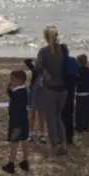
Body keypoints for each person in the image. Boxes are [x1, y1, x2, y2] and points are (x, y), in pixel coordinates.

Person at [33, 26, 68, 156]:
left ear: (45, 37)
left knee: (50, 119)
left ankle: (54, 146)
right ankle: (63, 144)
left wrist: (45, 72)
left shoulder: (43, 51)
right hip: (63, 88)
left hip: (50, 88)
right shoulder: (64, 49)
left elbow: (38, 67)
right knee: (59, 117)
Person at [2, 70, 31, 174]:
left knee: (14, 142)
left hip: (16, 121)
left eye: (12, 79)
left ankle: (11, 163)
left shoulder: (18, 93)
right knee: (25, 140)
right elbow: (13, 96)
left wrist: (14, 123)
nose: (11, 81)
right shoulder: (23, 91)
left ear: (19, 80)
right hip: (24, 120)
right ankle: (25, 161)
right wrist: (9, 90)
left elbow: (15, 105)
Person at [24, 58, 46, 143]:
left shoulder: (47, 72)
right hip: (34, 91)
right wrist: (35, 60)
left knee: (41, 114)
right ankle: (31, 133)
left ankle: (41, 133)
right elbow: (27, 61)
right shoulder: (36, 70)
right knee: (32, 113)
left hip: (42, 93)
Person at [74, 54, 89, 133]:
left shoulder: (76, 70)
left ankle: (79, 127)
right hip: (88, 94)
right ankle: (86, 126)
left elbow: (74, 81)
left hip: (79, 94)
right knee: (87, 112)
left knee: (78, 112)